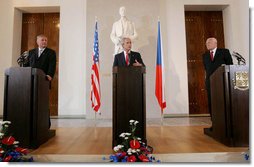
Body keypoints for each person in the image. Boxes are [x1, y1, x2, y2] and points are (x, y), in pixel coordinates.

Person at [24, 34, 56, 128]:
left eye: (46, 40)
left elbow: (52, 65)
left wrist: (49, 75)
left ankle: (46, 125)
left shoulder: (51, 52)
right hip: (31, 81)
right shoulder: (31, 52)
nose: (44, 42)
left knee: (43, 104)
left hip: (44, 81)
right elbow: (26, 65)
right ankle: (31, 124)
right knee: (31, 103)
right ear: (37, 41)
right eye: (42, 40)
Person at [202, 37, 233, 122]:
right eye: (206, 43)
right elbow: (206, 69)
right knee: (211, 102)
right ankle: (214, 122)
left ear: (215, 43)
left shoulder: (224, 52)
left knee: (222, 102)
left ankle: (225, 121)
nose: (207, 44)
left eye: (209, 42)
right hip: (210, 82)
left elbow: (230, 65)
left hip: (222, 82)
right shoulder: (204, 55)